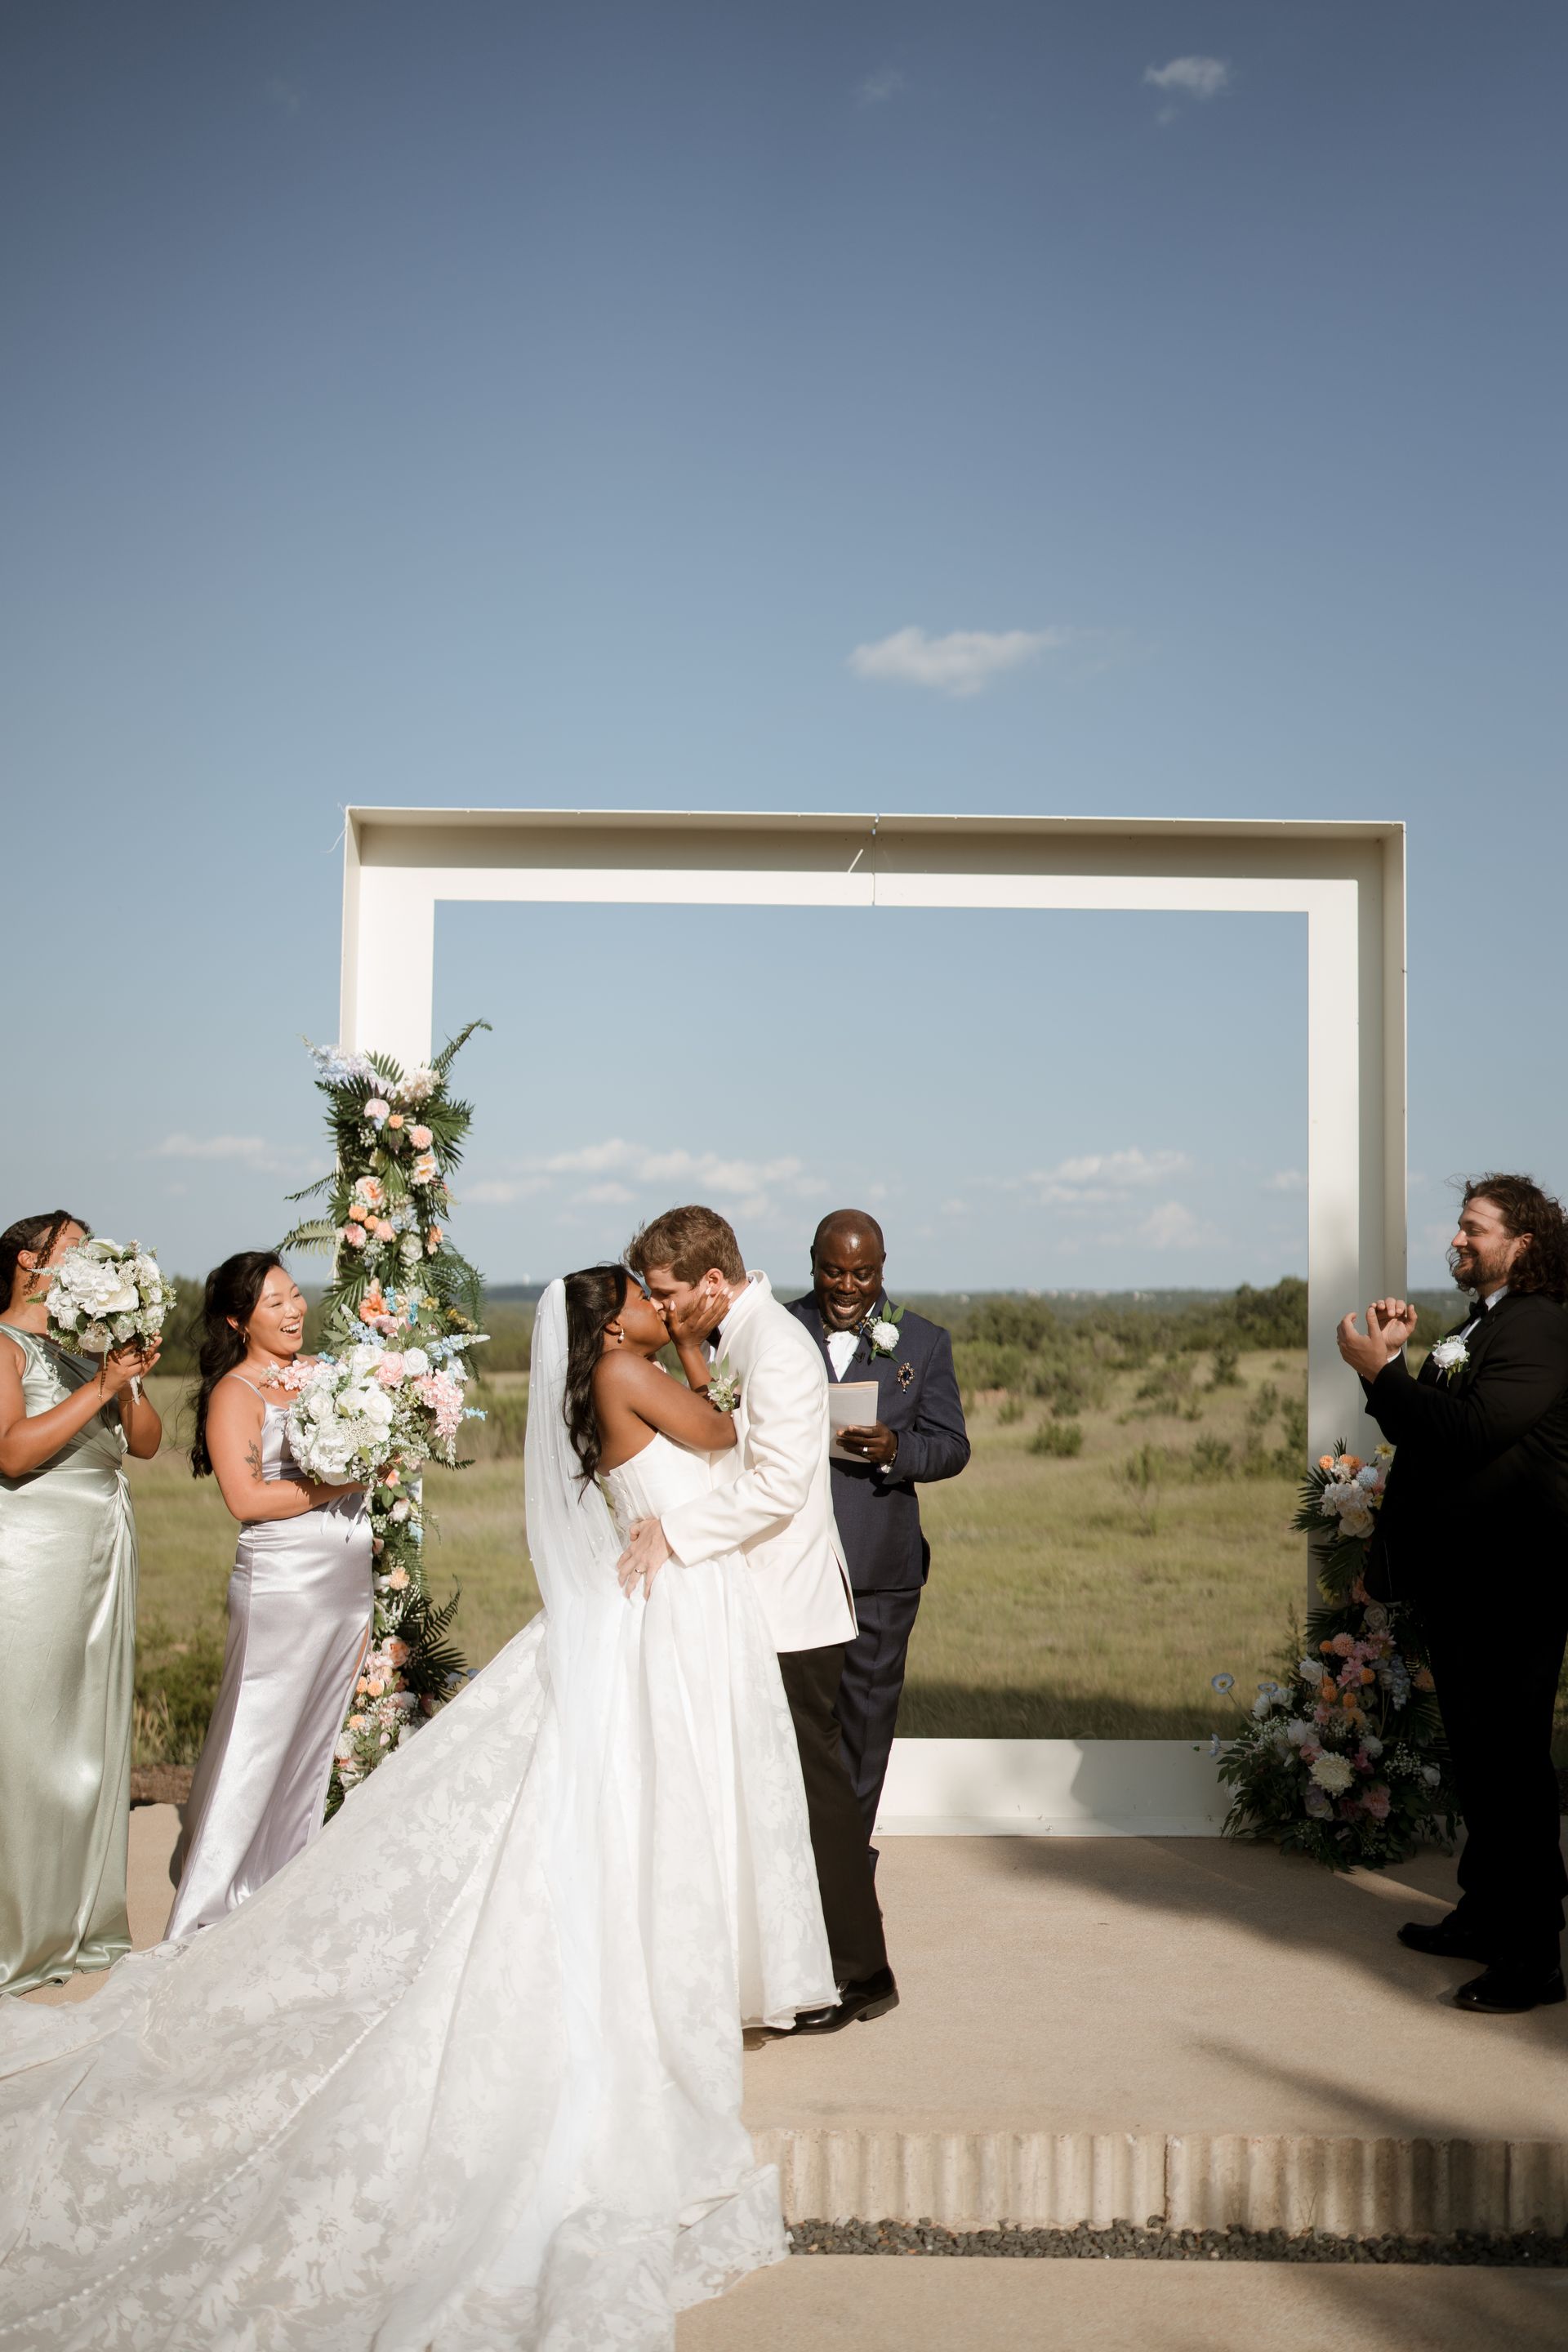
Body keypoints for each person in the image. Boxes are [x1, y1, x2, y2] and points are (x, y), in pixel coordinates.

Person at [0, 1268, 833, 2347]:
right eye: (638, 1290)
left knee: (595, 1791)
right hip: (635, 1605)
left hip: (623, 1604)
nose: (651, 1299)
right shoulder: (634, 1365)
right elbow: (722, 1437)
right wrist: (703, 1358)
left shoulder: (598, 1373)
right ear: (609, 1318)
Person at [621, 1203, 898, 2036]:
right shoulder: (735, 1340)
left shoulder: (774, 1348)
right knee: (785, 1799)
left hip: (791, 1609)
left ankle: (862, 1974)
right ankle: (805, 1963)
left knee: (817, 1799)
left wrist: (675, 1532)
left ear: (713, 1282)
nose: (661, 1306)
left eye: (668, 1293)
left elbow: (780, 1485)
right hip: (757, 1605)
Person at [1339, 1174, 1568, 2016]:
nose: (1461, 1238)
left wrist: (1379, 1373)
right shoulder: (1481, 1324)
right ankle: (1484, 1912)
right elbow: (1426, 1427)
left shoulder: (1541, 1326)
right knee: (1478, 1757)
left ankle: (1533, 1954)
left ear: (1525, 1241)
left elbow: (1473, 1434)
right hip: (1467, 1579)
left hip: (1516, 1581)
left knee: (1512, 1767)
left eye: (1477, 1227)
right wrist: (1393, 1363)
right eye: (1462, 1226)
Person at [166, 1254, 372, 1939]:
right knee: (256, 1741)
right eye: (274, 1302)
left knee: (312, 1745)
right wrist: (341, 1484)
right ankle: (207, 1909)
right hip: (283, 1587)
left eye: (294, 1296)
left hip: (344, 1586)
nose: (293, 1310)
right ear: (237, 1319)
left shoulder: (324, 1378)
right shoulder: (237, 1392)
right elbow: (246, 1498)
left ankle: (281, 1893)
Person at [0, 1211, 161, 1997]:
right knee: (29, 1735)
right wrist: (98, 1385)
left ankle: (80, 1919)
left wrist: (124, 1383)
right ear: (31, 1262)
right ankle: (19, 1931)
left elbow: (149, 1442)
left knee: (90, 1730)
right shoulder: (3, 1344)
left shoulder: (86, 1351)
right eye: (76, 1251)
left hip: (102, 1547)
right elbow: (11, 1449)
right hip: (30, 1554)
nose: (94, 1263)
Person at [786, 1210, 969, 1839]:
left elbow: (951, 1447)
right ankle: (792, 1867)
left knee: (865, 1729)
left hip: (880, 1573)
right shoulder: (777, 1330)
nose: (846, 1286)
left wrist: (895, 1449)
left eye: (862, 1274)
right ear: (812, 1261)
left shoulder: (922, 1341)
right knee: (789, 1726)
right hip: (786, 1567)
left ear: (882, 1269)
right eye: (833, 1270)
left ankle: (848, 1874)